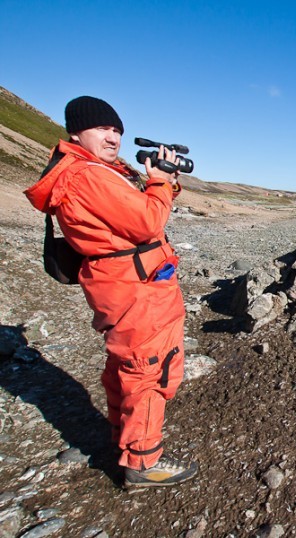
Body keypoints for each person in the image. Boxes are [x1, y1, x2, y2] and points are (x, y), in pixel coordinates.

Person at [24, 96, 198, 488]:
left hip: (127, 285)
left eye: (117, 130)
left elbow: (132, 213)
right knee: (150, 369)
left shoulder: (93, 171)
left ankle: (124, 437)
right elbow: (146, 221)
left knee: (127, 364)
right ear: (75, 132)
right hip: (136, 290)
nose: (113, 137)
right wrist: (158, 181)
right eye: (102, 129)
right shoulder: (87, 176)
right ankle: (142, 463)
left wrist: (162, 180)